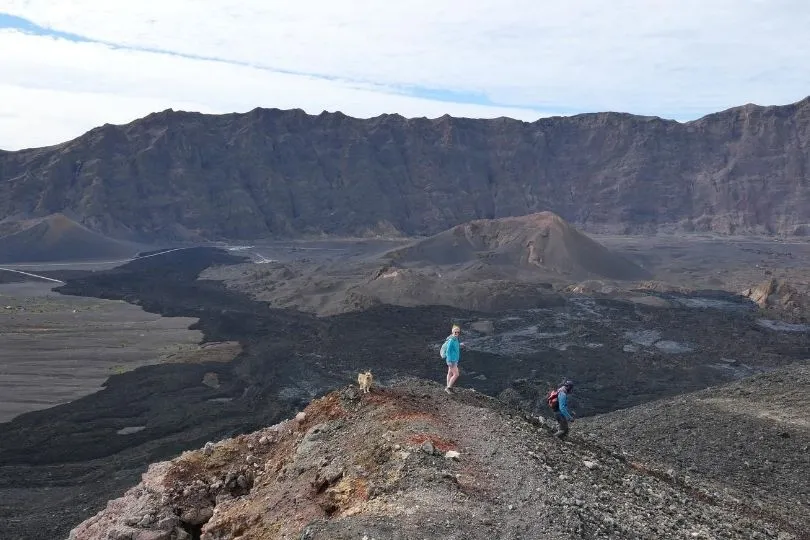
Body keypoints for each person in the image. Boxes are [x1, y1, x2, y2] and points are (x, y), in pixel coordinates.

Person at [440, 324, 465, 393]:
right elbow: (448, 351)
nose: (457, 334)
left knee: (450, 373)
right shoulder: (451, 340)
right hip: (452, 360)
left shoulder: (455, 339)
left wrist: (460, 344)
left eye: (458, 332)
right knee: (456, 374)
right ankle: (449, 388)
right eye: (455, 332)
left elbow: (455, 347)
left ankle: (448, 386)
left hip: (454, 360)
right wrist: (449, 361)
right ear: (452, 332)